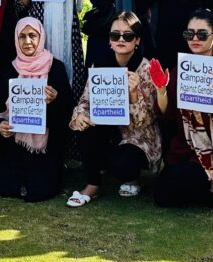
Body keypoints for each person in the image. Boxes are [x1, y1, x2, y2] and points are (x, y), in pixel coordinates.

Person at [152, 9, 213, 212]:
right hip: (184, 150)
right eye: (189, 34)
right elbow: (167, 115)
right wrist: (161, 91)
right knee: (161, 195)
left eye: (202, 34)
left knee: (175, 186)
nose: (195, 39)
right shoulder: (180, 71)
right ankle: (207, 192)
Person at [67, 12, 161, 206]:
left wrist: (134, 95)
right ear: (109, 40)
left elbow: (147, 120)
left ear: (137, 40)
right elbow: (85, 101)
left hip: (138, 137)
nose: (120, 39)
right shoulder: (99, 65)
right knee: (84, 127)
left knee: (122, 164)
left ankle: (133, 177)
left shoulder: (147, 69)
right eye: (114, 35)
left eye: (127, 36)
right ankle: (92, 185)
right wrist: (80, 115)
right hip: (108, 131)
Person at [0, 17, 75, 202]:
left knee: (41, 190)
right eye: (22, 36)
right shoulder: (8, 70)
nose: (27, 42)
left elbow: (69, 113)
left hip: (45, 146)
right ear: (16, 39)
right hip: (15, 142)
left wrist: (55, 101)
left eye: (32, 36)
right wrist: (0, 126)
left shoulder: (55, 68)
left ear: (41, 37)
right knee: (1, 186)